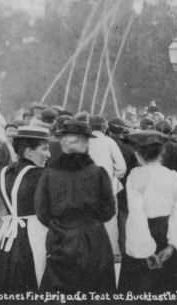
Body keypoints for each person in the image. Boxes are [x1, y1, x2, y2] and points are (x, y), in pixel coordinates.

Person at [35, 120, 116, 296]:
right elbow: (109, 211)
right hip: (93, 239)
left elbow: (41, 212)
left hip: (60, 238)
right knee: (95, 291)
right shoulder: (98, 173)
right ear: (85, 143)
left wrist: (60, 224)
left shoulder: (49, 174)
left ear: (63, 144)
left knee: (60, 292)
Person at [118, 131, 177, 303]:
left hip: (143, 234)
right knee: (167, 289)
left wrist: (146, 251)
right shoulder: (174, 177)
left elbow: (137, 214)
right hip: (167, 232)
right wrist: (173, 246)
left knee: (140, 290)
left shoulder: (136, 176)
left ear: (138, 154)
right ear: (161, 153)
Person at [0, 126, 51, 304]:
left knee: (7, 285)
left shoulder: (6, 172)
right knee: (34, 284)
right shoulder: (40, 175)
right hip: (34, 236)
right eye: (44, 149)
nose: (49, 155)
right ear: (29, 152)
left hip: (9, 237)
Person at [88, 115, 126, 260]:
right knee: (110, 221)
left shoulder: (84, 142)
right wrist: (114, 177)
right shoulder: (109, 142)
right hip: (108, 188)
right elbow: (122, 167)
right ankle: (113, 253)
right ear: (105, 127)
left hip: (88, 189)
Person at [107, 118, 138, 258]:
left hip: (107, 188)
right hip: (124, 187)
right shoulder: (129, 150)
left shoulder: (102, 146)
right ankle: (122, 249)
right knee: (123, 219)